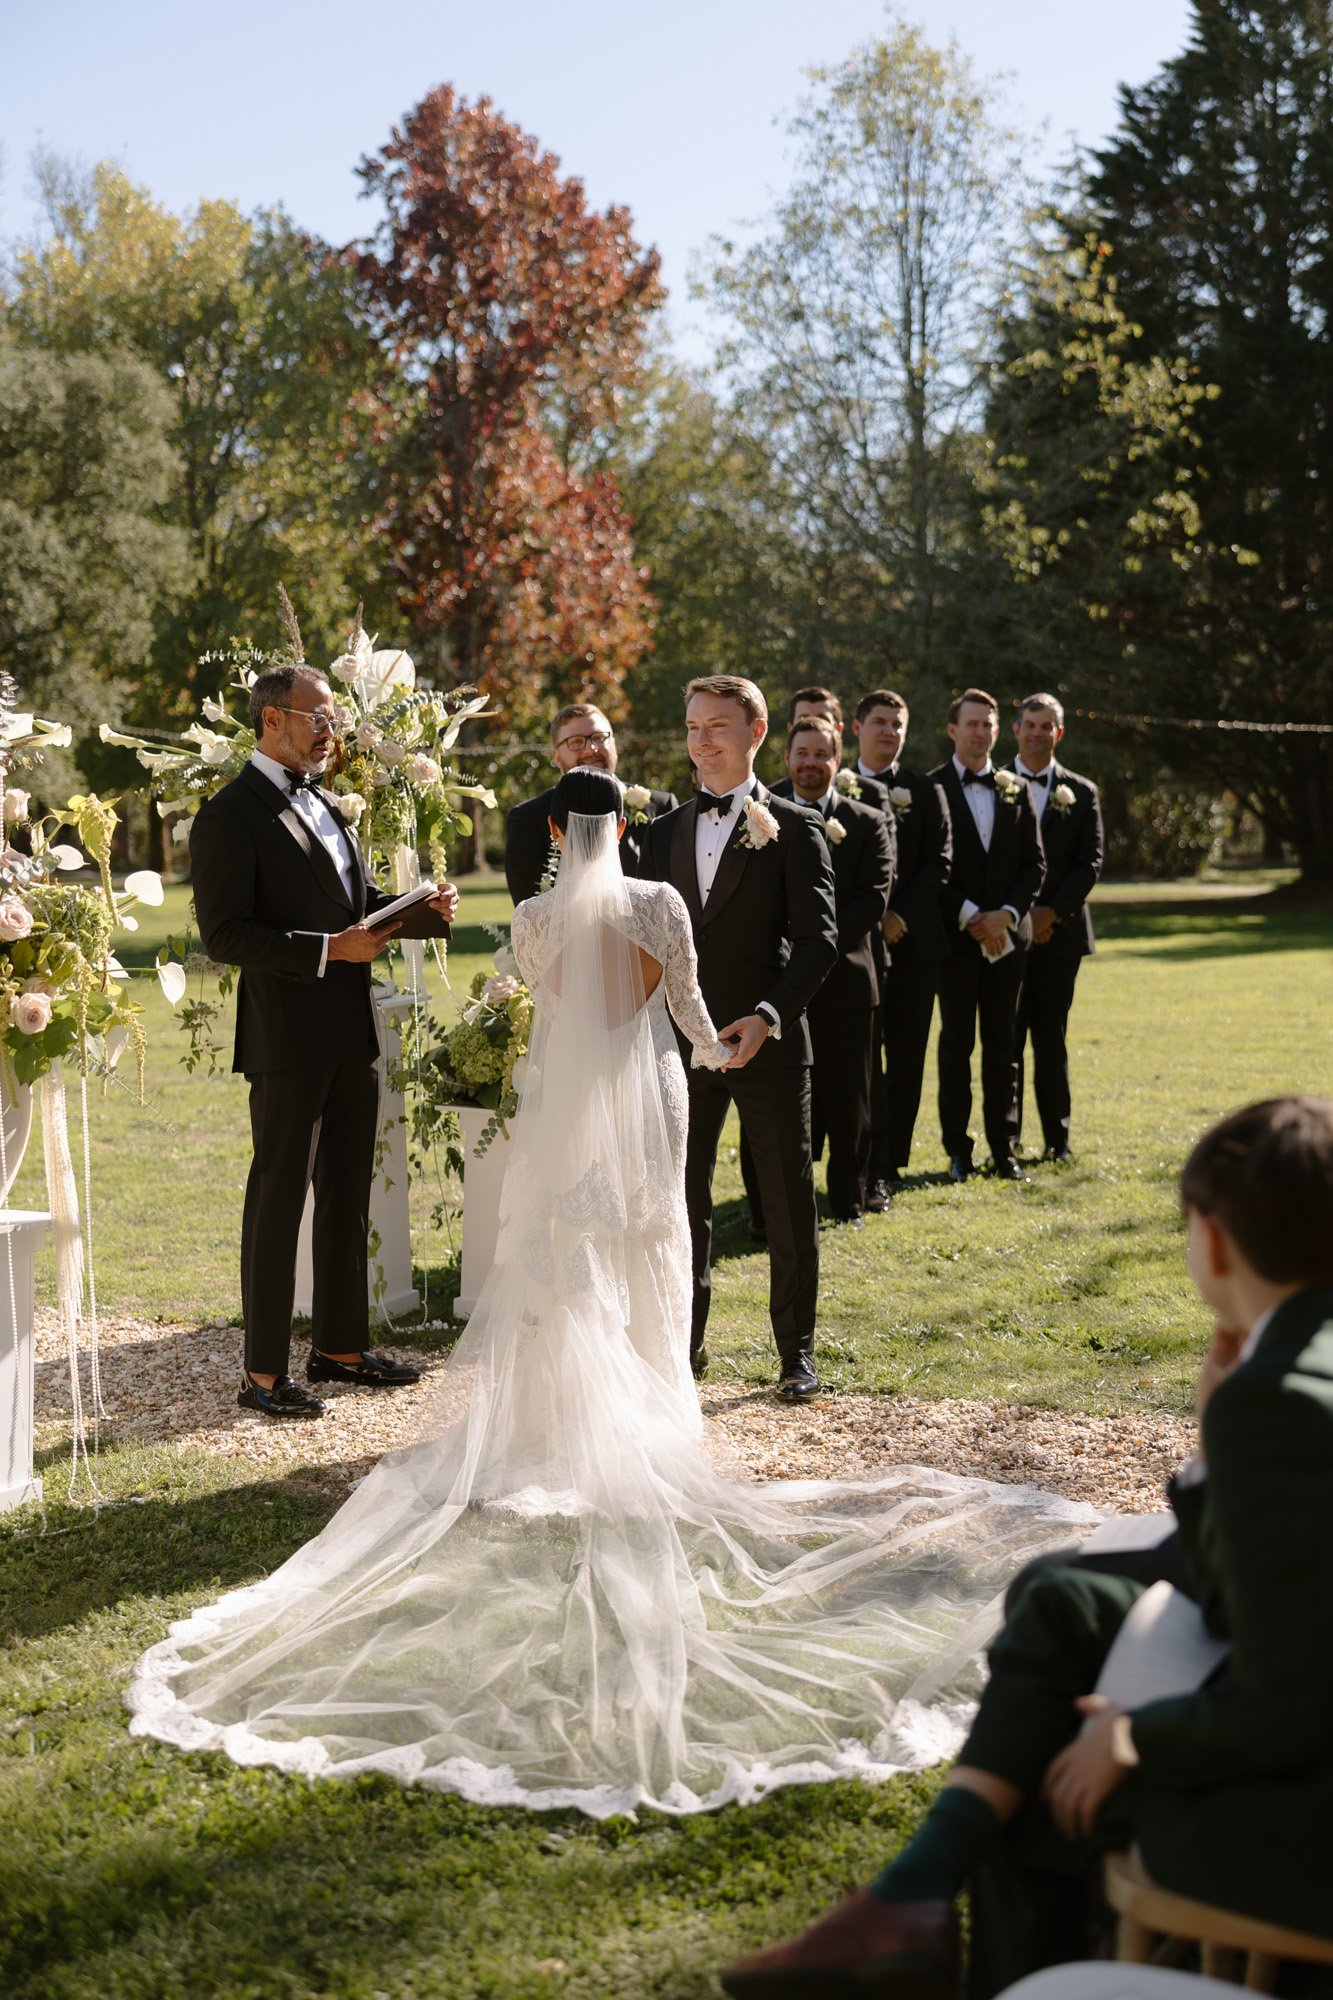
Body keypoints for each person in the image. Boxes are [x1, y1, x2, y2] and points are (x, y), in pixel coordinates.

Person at [130, 765, 1088, 1813]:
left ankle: (555, 1423)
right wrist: (734, 1045)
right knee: (651, 1248)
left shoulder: (537, 918)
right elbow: (688, 1015)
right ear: (625, 824)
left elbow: (538, 1013)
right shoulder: (661, 903)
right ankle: (652, 1409)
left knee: (562, 1262)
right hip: (651, 1102)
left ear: (549, 831)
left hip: (565, 1112)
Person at [721, 1093, 1333, 1998]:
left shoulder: (1272, 1400)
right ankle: (909, 1903)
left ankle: (931, 1910)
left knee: (1043, 1786)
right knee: (1060, 1591)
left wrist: (1130, 1736)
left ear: (1210, 1242)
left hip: (1304, 1822)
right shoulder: (1297, 1355)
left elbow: (1290, 1706)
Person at [189, 661, 458, 1420]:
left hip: (348, 1029)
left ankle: (341, 1348)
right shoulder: (229, 814)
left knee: (347, 1192)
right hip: (284, 1036)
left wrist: (417, 909)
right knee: (277, 1200)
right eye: (319, 717)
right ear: (272, 719)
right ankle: (263, 1375)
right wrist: (325, 951)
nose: (330, 730)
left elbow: (354, 905)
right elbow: (227, 933)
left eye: (332, 717)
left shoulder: (329, 804)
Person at [640, 676, 838, 1401]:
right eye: (693, 726)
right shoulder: (660, 833)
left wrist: (767, 1016)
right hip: (680, 1047)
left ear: (756, 734)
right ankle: (681, 1350)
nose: (702, 740)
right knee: (680, 1202)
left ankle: (796, 1356)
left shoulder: (793, 826)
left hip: (769, 1044)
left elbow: (818, 941)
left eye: (718, 726)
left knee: (787, 1203)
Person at [771, 718, 895, 1225]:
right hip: (778, 985)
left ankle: (848, 1200)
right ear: (786, 758)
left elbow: (873, 900)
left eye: (821, 754)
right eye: (802, 753)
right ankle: (779, 1208)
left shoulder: (867, 822)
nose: (810, 763)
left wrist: (814, 946)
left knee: (850, 1101)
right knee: (783, 1103)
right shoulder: (764, 815)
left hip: (845, 980)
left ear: (837, 760)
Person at [931, 688, 1044, 1184]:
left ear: (998, 732)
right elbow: (926, 869)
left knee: (1004, 1046)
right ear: (953, 730)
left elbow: (1033, 864)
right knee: (956, 1045)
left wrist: (1006, 915)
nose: (980, 732)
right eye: (971, 723)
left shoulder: (1013, 787)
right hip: (954, 943)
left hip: (1006, 944)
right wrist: (973, 915)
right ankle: (959, 1150)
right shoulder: (931, 787)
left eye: (988, 725)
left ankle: (1005, 1147)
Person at [853, 690, 953, 1201]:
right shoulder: (840, 787)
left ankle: (893, 1163)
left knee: (908, 1059)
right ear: (857, 728)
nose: (889, 732)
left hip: (914, 946)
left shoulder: (924, 787)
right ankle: (861, 1162)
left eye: (898, 724)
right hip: (859, 950)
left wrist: (898, 915)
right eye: (880, 722)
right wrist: (873, 917)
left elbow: (940, 860)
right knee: (864, 1060)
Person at [1009, 694, 1104, 1162]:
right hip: (1004, 934)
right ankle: (1005, 1141)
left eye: (1047, 726)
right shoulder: (996, 784)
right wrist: (1022, 915)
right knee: (1005, 1039)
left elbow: (1089, 865)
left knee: (1051, 1038)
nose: (1037, 733)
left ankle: (1057, 1140)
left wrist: (1049, 914)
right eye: (1030, 724)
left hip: (1060, 936)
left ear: (1059, 734)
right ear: (1016, 730)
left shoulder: (1081, 792)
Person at [503, 701, 677, 905]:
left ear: (614, 744)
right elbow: (528, 909)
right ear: (556, 756)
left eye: (599, 737)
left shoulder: (662, 806)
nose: (591, 748)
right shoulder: (528, 818)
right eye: (576, 741)